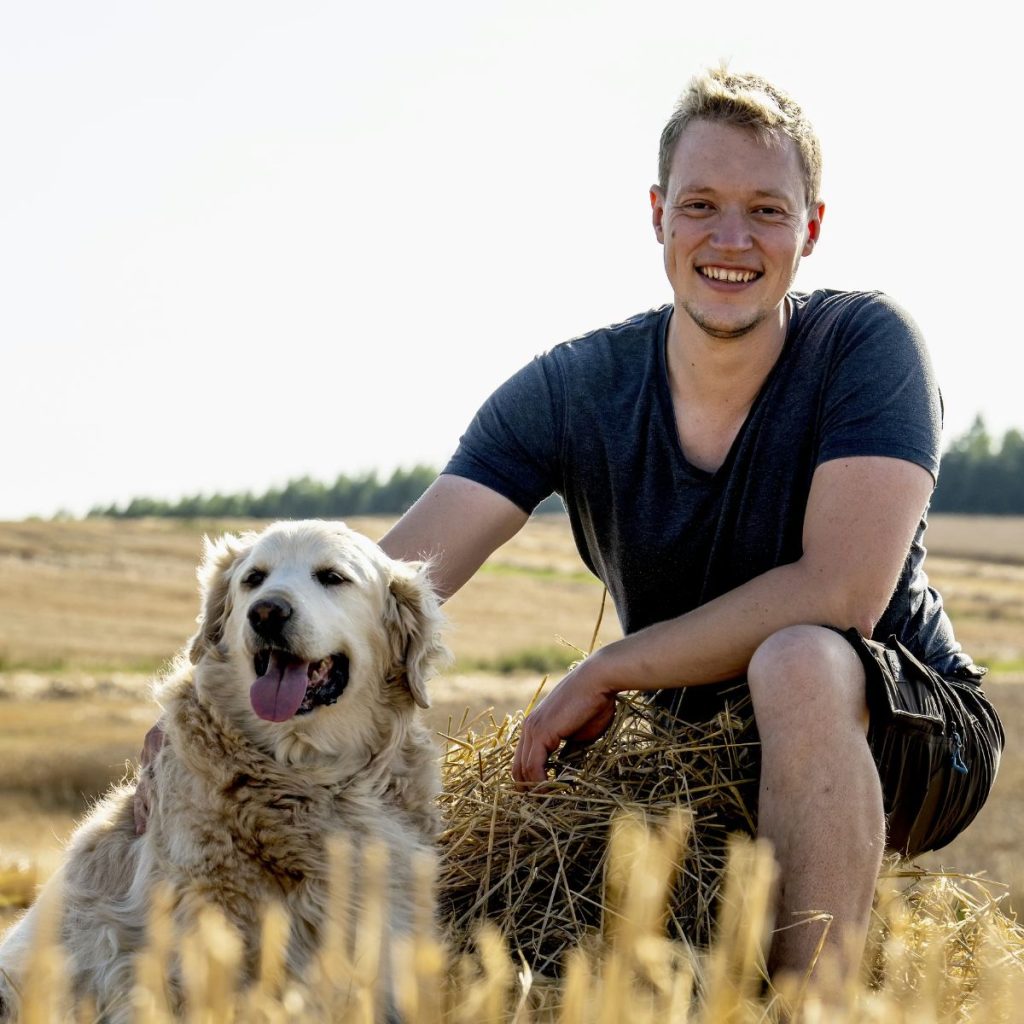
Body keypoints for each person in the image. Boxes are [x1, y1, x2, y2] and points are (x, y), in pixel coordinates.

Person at [375, 66, 1004, 985]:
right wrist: (213, 699)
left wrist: (607, 669)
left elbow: (842, 594)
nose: (731, 239)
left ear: (812, 228)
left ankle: (813, 1006)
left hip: (912, 726)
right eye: (701, 205)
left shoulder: (867, 345)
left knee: (798, 657)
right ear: (658, 215)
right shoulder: (573, 388)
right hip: (696, 750)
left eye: (767, 211)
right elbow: (385, 584)